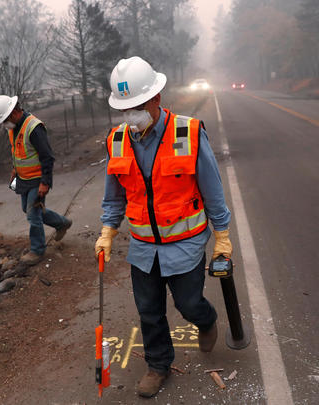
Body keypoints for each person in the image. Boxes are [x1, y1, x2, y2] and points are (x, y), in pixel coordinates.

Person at [95, 57, 233, 398]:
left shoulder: (186, 132)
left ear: (156, 98)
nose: (131, 115)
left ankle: (205, 319)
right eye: (125, 108)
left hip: (184, 243)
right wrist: (107, 231)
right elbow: (114, 195)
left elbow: (212, 189)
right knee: (149, 312)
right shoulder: (116, 141)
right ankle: (158, 365)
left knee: (188, 304)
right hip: (142, 245)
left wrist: (223, 235)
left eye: (138, 106)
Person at [0, 95, 72, 265]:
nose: (5, 124)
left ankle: (37, 250)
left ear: (13, 113)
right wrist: (15, 168)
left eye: (5, 119)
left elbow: (47, 157)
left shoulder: (33, 127)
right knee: (29, 210)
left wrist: (45, 182)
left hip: (37, 179)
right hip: (23, 178)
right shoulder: (13, 128)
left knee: (33, 215)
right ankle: (62, 223)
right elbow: (19, 150)